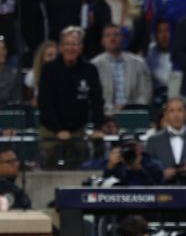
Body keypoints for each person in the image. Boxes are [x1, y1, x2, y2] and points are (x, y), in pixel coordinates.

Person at [37, 26, 105, 168]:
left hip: (78, 131)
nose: (70, 48)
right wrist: (58, 130)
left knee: (79, 167)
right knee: (50, 166)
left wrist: (97, 127)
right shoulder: (49, 69)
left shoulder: (90, 70)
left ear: (81, 47)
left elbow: (97, 101)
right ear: (61, 47)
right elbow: (44, 103)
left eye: (74, 44)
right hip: (51, 131)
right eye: (66, 44)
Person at [91, 24, 153, 114]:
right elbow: (92, 97)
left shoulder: (139, 64)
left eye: (116, 35)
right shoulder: (94, 66)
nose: (112, 38)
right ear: (102, 41)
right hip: (104, 116)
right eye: (108, 35)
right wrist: (110, 109)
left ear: (123, 39)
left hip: (134, 115)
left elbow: (146, 95)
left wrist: (132, 109)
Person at [144, 96, 186, 184]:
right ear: (166, 115)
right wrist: (162, 175)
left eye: (180, 110)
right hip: (162, 193)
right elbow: (147, 170)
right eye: (172, 111)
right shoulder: (153, 141)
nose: (176, 115)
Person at [0, 146, 31, 210]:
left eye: (16, 160)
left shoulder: (11, 185)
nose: (16, 164)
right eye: (11, 161)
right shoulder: (3, 186)